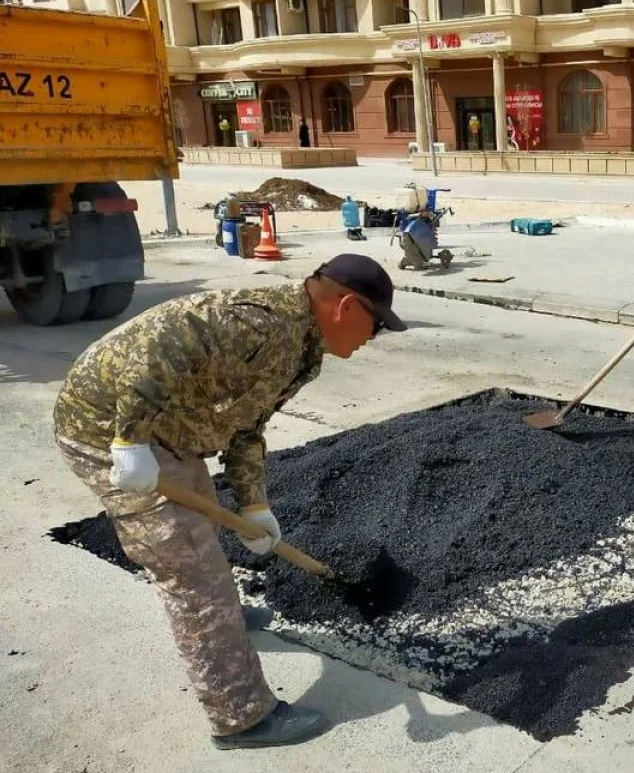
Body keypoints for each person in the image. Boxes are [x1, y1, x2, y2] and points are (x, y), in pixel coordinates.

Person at [54, 255, 407, 749]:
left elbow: (247, 426)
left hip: (168, 433)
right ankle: (240, 717)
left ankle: (227, 617)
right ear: (347, 306)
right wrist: (129, 441)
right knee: (191, 571)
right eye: (375, 326)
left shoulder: (301, 345)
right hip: (105, 431)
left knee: (201, 515)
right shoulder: (258, 321)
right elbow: (159, 346)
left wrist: (253, 505)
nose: (373, 338)